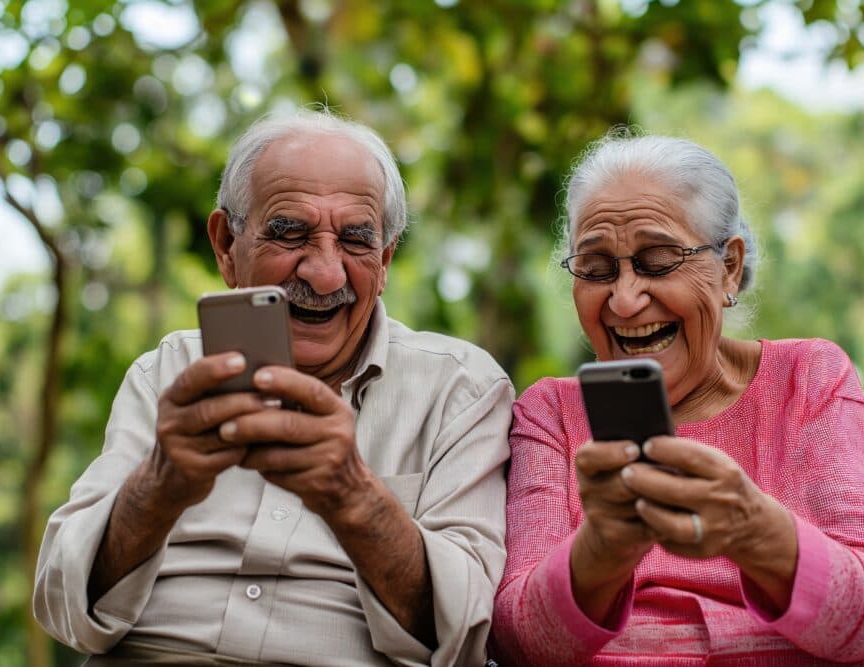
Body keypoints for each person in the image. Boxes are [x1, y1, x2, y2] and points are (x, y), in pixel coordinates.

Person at [34, 107, 514, 666]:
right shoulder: (168, 371)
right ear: (225, 247)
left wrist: (354, 497)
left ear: (384, 262)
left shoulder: (461, 389)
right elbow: (61, 601)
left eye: (356, 242)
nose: (324, 274)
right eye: (290, 233)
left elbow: (470, 640)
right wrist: (160, 486)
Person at [489, 132, 864, 665]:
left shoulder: (808, 379)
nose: (624, 299)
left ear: (728, 267)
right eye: (596, 270)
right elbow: (516, 643)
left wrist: (753, 529)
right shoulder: (552, 415)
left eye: (658, 261)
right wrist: (605, 549)